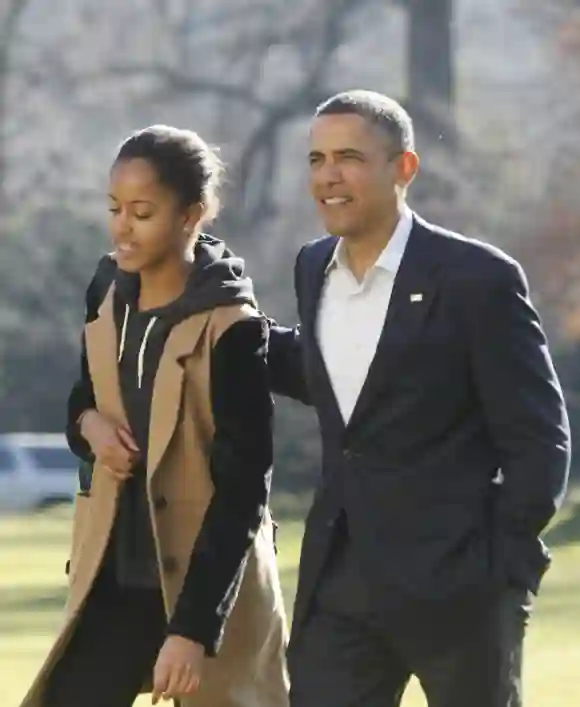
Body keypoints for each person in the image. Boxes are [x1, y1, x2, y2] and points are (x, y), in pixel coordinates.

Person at [268, 90, 571, 707]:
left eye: (349, 156)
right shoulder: (311, 268)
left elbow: (539, 438)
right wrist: (217, 325)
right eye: (316, 158)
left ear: (403, 168)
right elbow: (342, 382)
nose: (328, 175)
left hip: (461, 591)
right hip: (341, 586)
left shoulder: (477, 278)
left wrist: (502, 567)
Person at [19, 125, 289, 707]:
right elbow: (81, 401)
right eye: (115, 208)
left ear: (193, 214)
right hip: (114, 578)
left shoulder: (234, 330)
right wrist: (90, 428)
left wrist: (191, 631)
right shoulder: (106, 290)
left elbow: (245, 490)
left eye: (142, 211)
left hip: (207, 589)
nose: (122, 225)